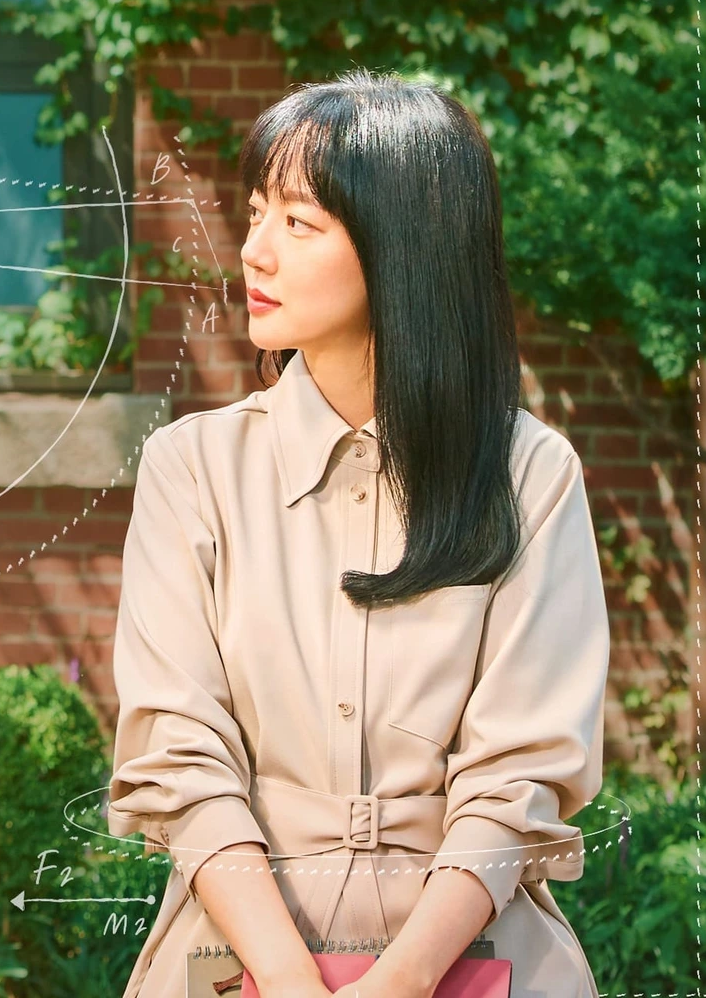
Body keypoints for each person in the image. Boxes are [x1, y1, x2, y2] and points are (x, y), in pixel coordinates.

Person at [107, 70, 609, 998]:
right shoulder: (194, 468)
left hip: (477, 958)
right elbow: (179, 757)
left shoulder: (530, 475)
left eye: (299, 223)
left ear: (405, 248)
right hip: (232, 957)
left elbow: (520, 775)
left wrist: (402, 982)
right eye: (256, 214)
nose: (255, 251)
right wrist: (289, 981)